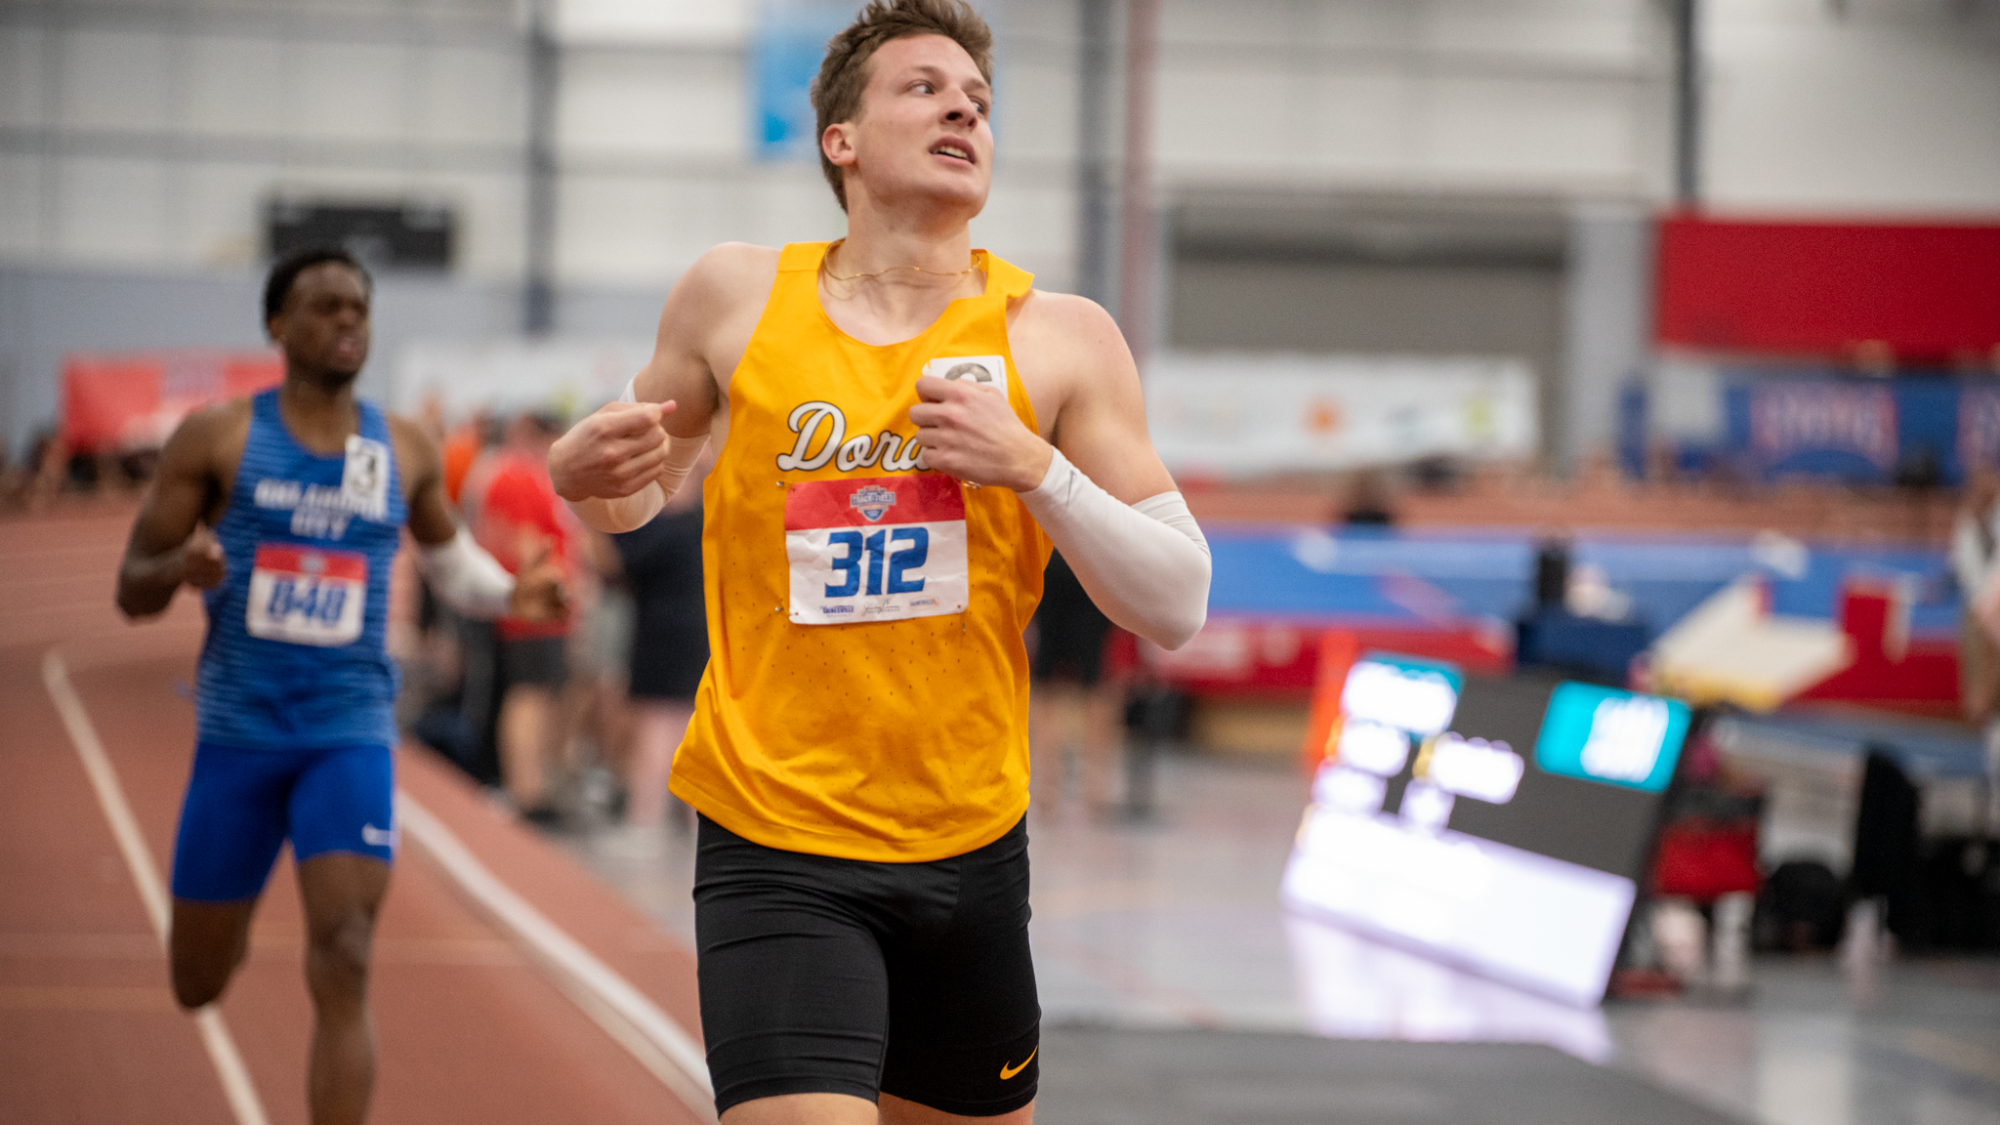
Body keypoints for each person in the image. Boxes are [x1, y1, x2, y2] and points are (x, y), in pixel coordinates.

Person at [549, 4, 1211, 1121]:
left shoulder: (1058, 337)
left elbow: (1178, 601)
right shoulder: (734, 296)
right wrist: (582, 478)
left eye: (979, 101)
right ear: (840, 140)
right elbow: (634, 495)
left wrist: (1036, 468)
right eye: (924, 88)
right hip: (777, 835)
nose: (963, 110)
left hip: (971, 845)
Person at [115, 246, 562, 1125]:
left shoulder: (402, 445)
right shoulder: (219, 438)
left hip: (347, 730)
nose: (348, 320)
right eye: (325, 306)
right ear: (277, 324)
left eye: (359, 306)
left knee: (347, 952)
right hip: (240, 735)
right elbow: (131, 586)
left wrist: (514, 592)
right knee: (197, 979)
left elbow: (449, 563)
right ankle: (226, 918)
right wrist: (178, 567)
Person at [472, 411, 578, 824]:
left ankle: (532, 784)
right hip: (535, 607)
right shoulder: (517, 475)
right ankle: (524, 787)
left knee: (540, 694)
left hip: (540, 604)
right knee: (528, 694)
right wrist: (557, 587)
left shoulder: (523, 474)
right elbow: (523, 542)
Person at [611, 458, 711, 844]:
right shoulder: (703, 524)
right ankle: (690, 821)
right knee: (687, 728)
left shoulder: (671, 528)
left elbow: (623, 567)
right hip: (695, 637)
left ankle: (646, 817)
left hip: (666, 638)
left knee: (657, 726)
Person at [1028, 550, 1123, 821]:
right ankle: (1090, 788)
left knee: (1059, 690)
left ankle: (1052, 788)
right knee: (1091, 689)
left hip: (1065, 567)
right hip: (1084, 565)